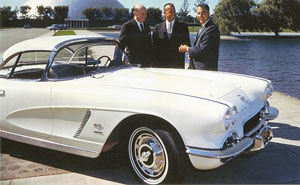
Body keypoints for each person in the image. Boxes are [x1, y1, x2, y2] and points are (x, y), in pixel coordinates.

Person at [179, 4, 220, 71]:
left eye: (203, 13)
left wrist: (187, 49)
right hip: (196, 68)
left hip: (205, 70)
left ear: (208, 14)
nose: (200, 16)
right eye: (198, 13)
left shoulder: (212, 29)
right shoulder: (203, 27)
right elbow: (199, 47)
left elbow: (202, 49)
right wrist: (191, 55)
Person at [152, 3, 190, 68]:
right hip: (161, 65)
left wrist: (185, 47)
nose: (173, 13)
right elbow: (154, 47)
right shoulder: (157, 28)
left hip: (177, 65)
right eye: (170, 11)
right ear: (164, 13)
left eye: (174, 11)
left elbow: (187, 43)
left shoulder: (183, 27)